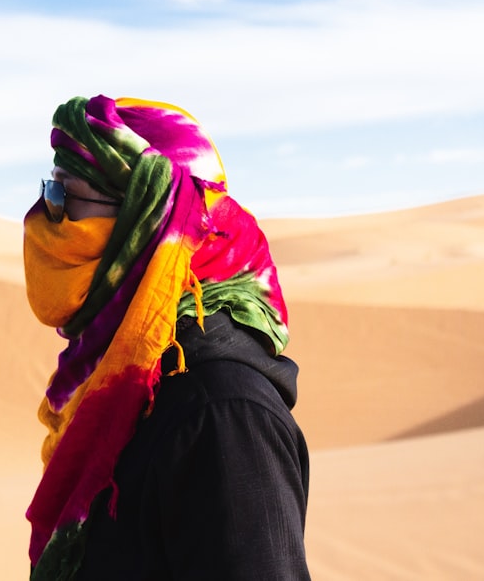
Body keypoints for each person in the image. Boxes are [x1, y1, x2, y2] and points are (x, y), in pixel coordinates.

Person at [23, 94, 311, 580]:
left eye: (62, 197)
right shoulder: (122, 375)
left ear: (146, 214)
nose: (42, 218)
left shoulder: (220, 414)